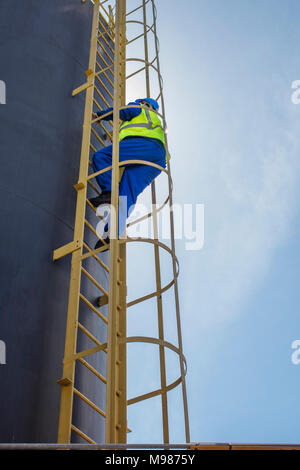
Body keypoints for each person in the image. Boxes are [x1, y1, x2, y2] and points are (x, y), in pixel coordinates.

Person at [90, 98, 167, 251]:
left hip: (144, 143)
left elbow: (121, 111)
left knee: (102, 157)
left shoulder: (140, 108)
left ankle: (108, 192)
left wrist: (100, 115)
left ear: (144, 103)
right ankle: (112, 234)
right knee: (127, 193)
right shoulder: (155, 120)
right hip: (158, 158)